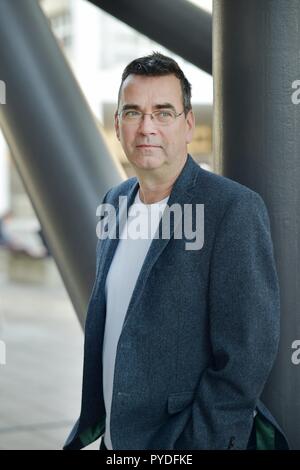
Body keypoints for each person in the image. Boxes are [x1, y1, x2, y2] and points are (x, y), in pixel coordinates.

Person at [64, 52, 288, 450]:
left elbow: (245, 356)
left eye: (163, 112)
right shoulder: (113, 202)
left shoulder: (231, 208)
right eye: (133, 112)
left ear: (187, 124)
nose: (147, 127)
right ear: (117, 126)